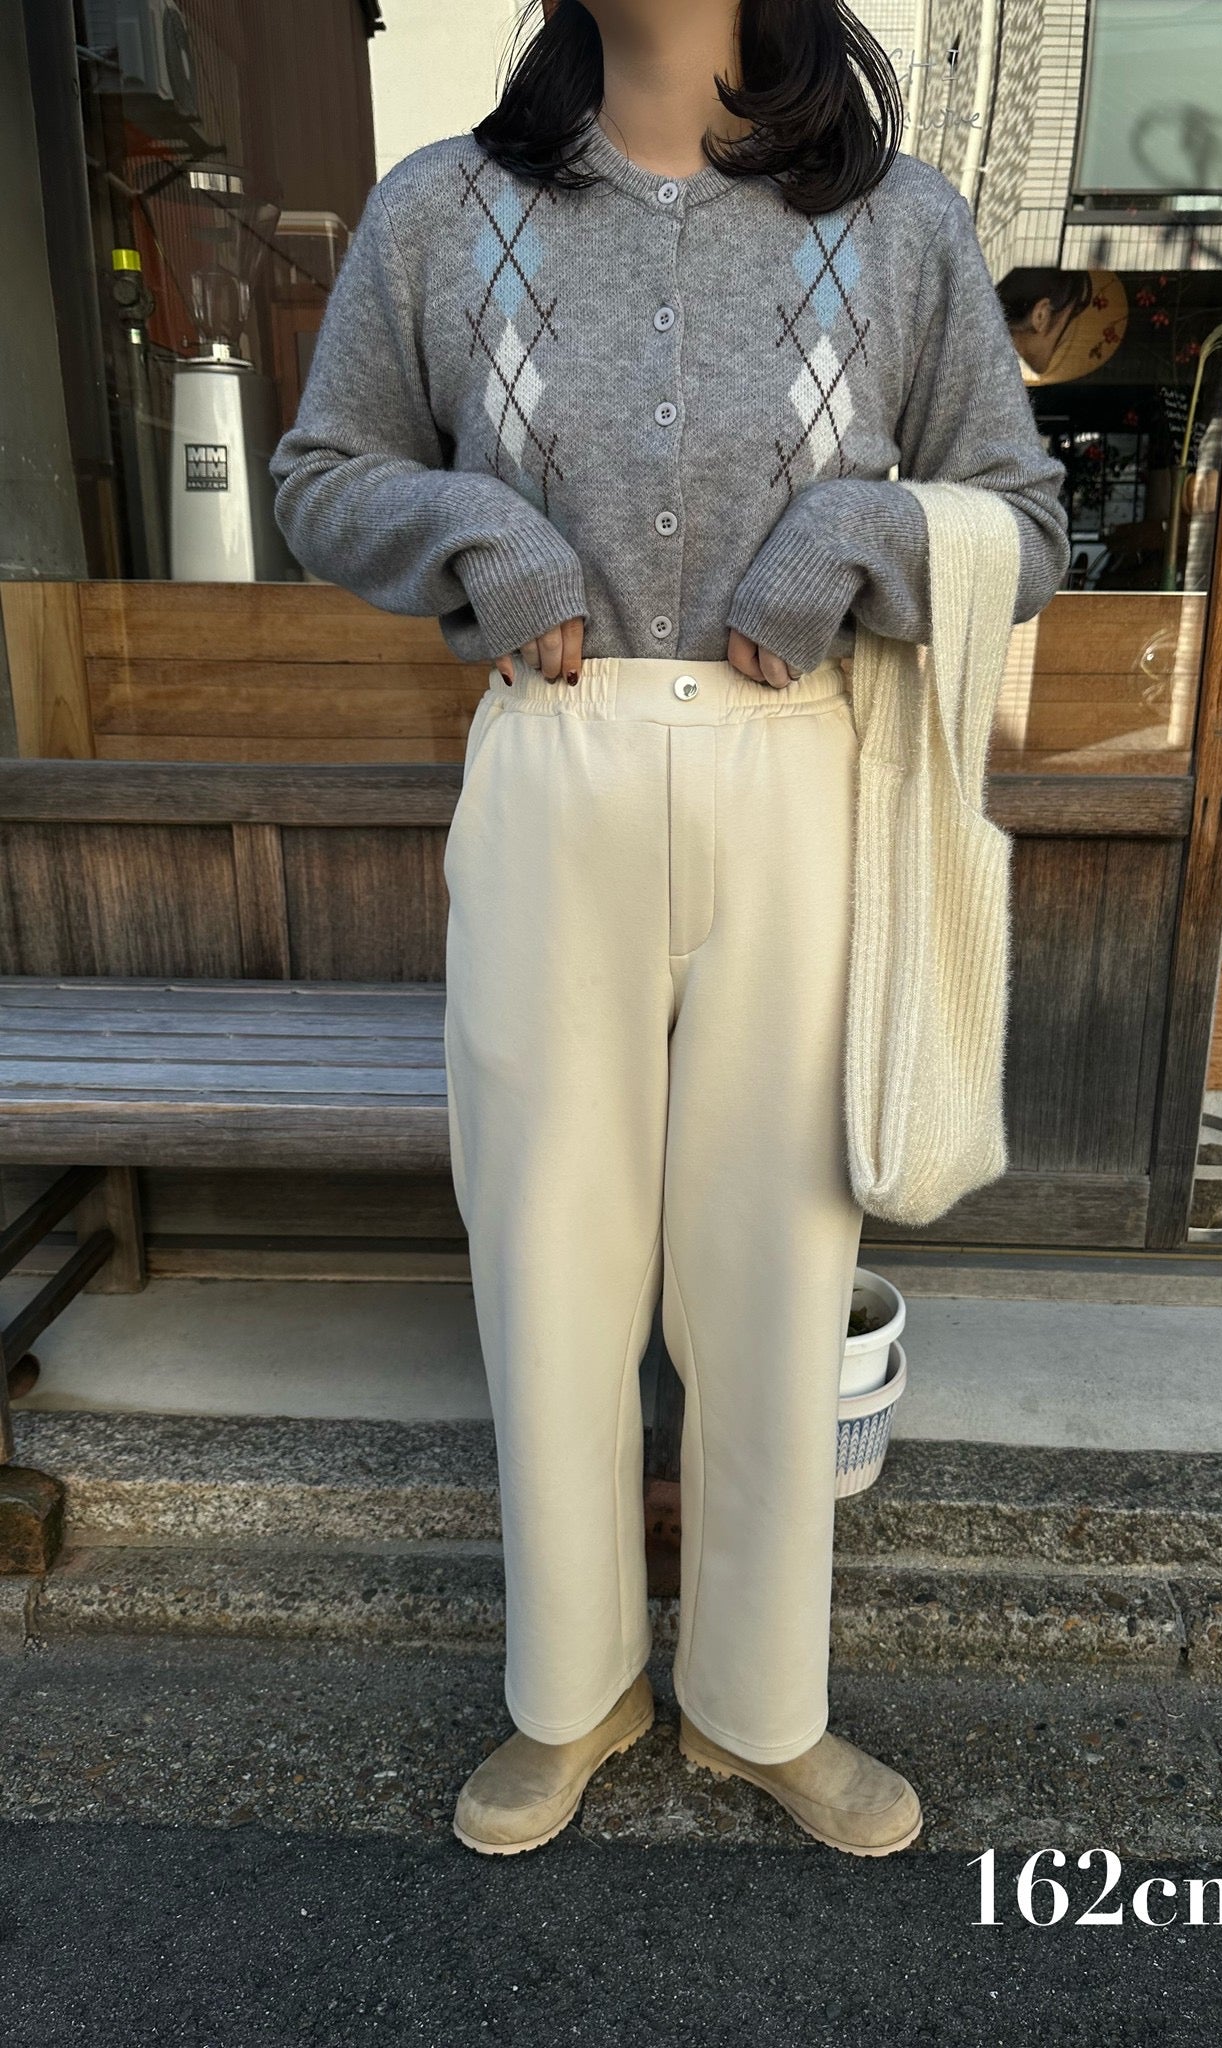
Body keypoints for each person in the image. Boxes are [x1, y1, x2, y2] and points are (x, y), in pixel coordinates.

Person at [268, 0, 1069, 1858]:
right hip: (557, 768)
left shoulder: (897, 222)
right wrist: (486, 534)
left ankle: (760, 1708)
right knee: (546, 1263)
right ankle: (573, 1693)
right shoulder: (444, 210)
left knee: (776, 1274)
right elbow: (320, 475)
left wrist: (854, 535)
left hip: (800, 781)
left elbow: (1021, 522)